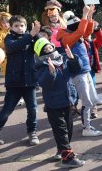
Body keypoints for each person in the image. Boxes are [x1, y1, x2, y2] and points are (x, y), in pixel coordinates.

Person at [0, 16, 41, 146]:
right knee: (8, 109)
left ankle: (32, 132)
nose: (20, 28)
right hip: (14, 82)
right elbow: (13, 47)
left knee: (33, 109)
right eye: (16, 26)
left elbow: (41, 47)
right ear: (11, 27)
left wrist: (37, 35)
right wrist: (30, 35)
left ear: (26, 27)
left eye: (22, 26)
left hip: (29, 81)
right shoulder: (9, 38)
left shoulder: (31, 37)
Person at [34, 38, 85, 168]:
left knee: (68, 129)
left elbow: (76, 70)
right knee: (61, 130)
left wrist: (72, 58)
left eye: (49, 47)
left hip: (68, 101)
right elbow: (43, 83)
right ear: (40, 53)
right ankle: (67, 158)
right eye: (44, 50)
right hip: (54, 104)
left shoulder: (63, 59)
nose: (48, 50)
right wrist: (51, 72)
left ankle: (61, 150)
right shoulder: (41, 65)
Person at [57, 5, 102, 137]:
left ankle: (86, 125)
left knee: (93, 100)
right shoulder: (66, 38)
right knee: (87, 102)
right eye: (77, 25)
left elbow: (87, 31)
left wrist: (89, 16)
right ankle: (86, 128)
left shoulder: (78, 35)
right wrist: (83, 15)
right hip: (78, 74)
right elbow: (81, 31)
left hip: (86, 71)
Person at [0, 11, 12, 77]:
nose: (6, 24)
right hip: (4, 57)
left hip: (15, 56)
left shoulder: (14, 30)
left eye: (7, 22)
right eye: (3, 22)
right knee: (7, 74)